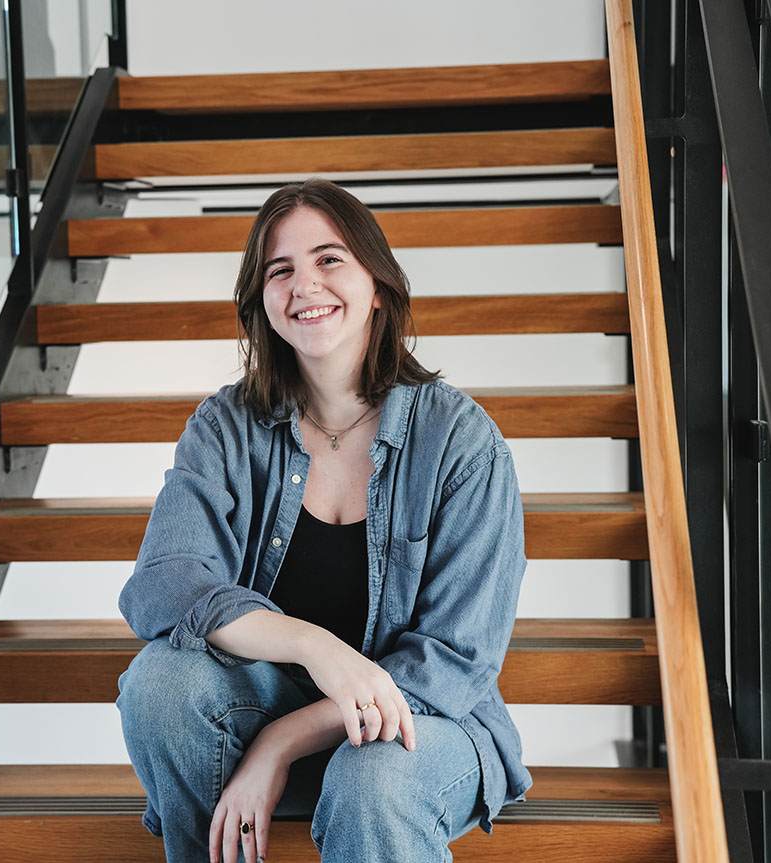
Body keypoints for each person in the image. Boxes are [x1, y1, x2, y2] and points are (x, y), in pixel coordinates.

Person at [116, 178, 531, 863]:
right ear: (264, 301)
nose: (304, 283)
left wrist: (279, 744)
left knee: (371, 780)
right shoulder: (226, 426)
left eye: (329, 258)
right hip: (257, 707)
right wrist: (321, 650)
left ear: (378, 283)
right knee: (160, 685)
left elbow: (451, 664)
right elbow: (167, 582)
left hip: (421, 729)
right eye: (280, 269)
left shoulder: (460, 441)